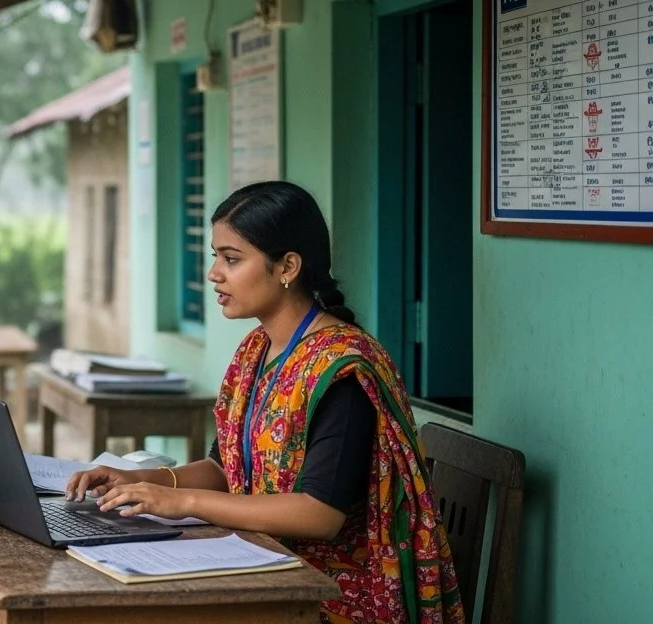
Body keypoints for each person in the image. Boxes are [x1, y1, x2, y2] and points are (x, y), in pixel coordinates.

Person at [66, 181, 464, 624]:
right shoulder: (257, 351)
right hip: (264, 568)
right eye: (215, 256)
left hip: (329, 596)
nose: (215, 273)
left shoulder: (343, 371)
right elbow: (224, 469)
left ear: (287, 266)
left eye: (232, 259)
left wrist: (183, 503)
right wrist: (137, 480)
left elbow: (319, 514)